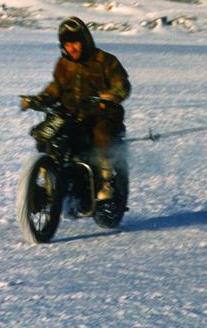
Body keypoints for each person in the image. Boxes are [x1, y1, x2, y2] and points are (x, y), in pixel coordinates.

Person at [21, 16, 131, 199]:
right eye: (67, 44)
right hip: (70, 113)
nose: (72, 48)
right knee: (45, 133)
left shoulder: (106, 60)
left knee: (102, 134)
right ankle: (48, 172)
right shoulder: (63, 64)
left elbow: (122, 85)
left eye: (76, 42)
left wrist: (112, 95)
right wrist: (40, 99)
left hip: (101, 114)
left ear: (85, 41)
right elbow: (56, 87)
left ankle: (105, 182)